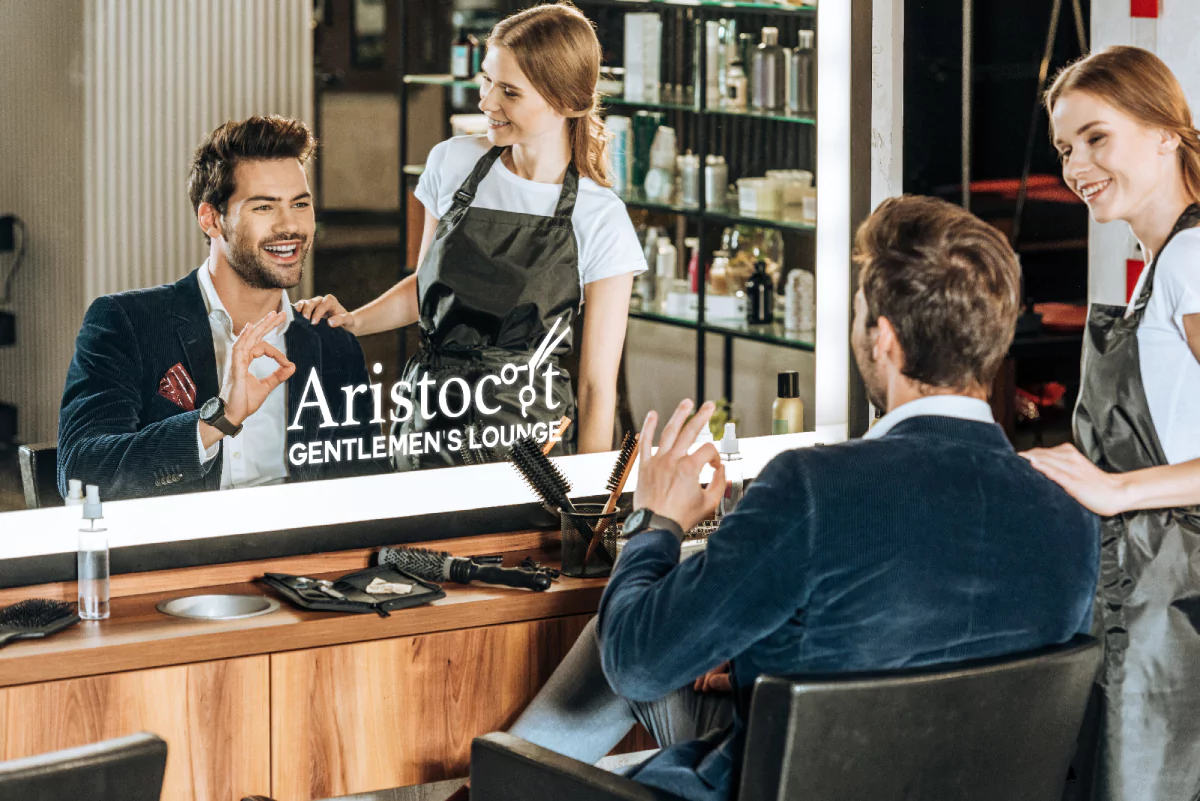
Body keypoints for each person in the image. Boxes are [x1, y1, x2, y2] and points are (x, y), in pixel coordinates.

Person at [448, 196, 1100, 801]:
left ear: (885, 340)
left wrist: (658, 522)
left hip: (792, 781)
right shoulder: (1069, 512)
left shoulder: (814, 488)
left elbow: (638, 663)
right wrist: (754, 655)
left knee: (618, 633)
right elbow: (934, 643)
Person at [296, 2, 646, 470]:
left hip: (528, 450)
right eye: (486, 80)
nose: (486, 102)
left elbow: (597, 387)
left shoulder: (600, 217)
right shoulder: (452, 163)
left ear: (564, 101)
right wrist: (354, 322)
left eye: (509, 91)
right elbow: (426, 286)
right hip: (427, 424)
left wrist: (583, 514)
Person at [1022, 46, 1200, 801]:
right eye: (1066, 147)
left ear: (1166, 131)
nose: (1076, 164)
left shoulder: (1192, 260)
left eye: (1097, 137)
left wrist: (1116, 488)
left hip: (1179, 594)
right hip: (1147, 587)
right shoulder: (1162, 262)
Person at [58, 115, 382, 501]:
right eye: (264, 207)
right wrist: (217, 418)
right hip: (182, 555)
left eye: (299, 204)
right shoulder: (126, 322)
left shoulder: (331, 341)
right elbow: (81, 475)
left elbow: (366, 489)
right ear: (212, 219)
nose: (290, 225)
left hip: (304, 556)